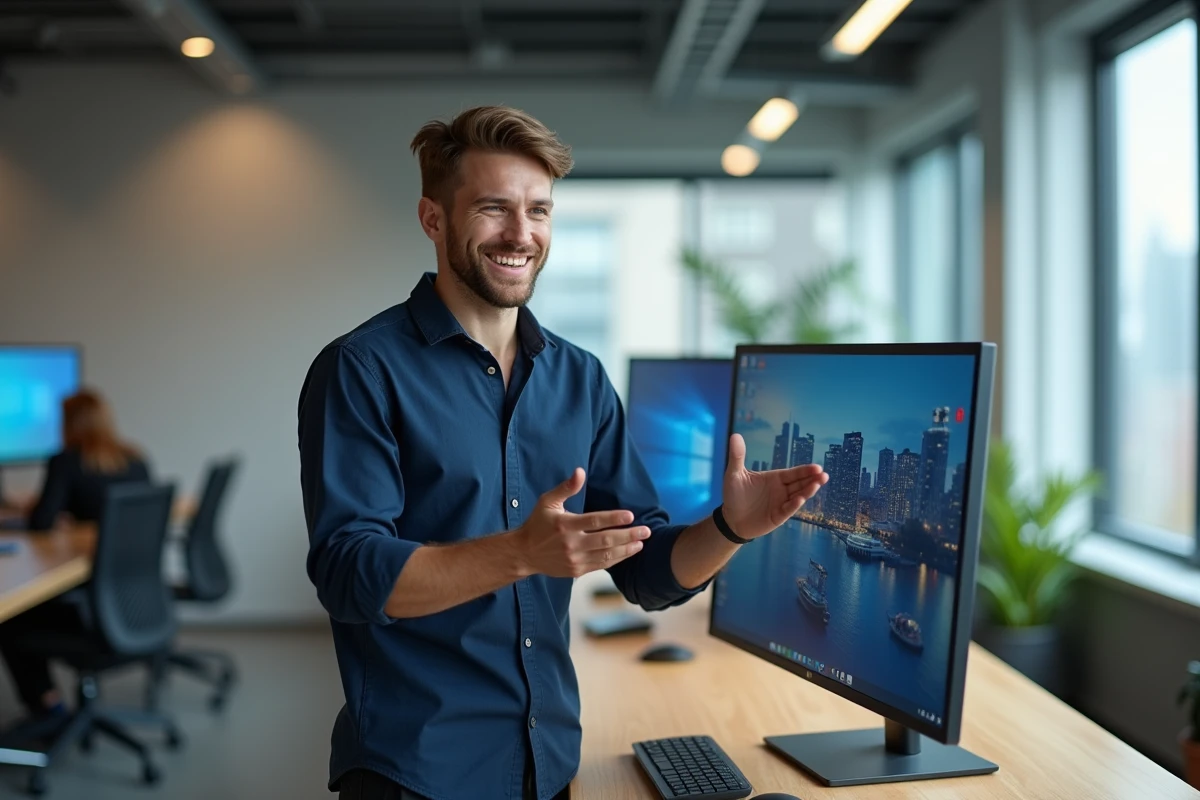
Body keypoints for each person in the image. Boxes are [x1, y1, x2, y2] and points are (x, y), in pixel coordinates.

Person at [297, 105, 828, 800]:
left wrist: (730, 527)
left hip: (545, 764)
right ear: (434, 219)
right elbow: (347, 573)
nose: (522, 234)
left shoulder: (579, 378)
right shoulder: (361, 369)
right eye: (494, 208)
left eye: (539, 211)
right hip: (417, 772)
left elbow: (647, 569)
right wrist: (522, 552)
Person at [0, 389, 150, 740]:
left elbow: (41, 522)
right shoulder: (136, 459)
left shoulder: (67, 460)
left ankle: (47, 705)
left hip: (91, 609)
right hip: (132, 603)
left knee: (12, 617)